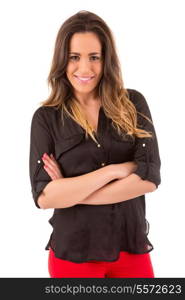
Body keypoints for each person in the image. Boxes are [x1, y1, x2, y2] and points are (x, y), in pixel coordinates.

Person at [29, 10, 161, 278]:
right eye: (74, 57)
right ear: (62, 60)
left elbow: (149, 178)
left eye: (94, 57)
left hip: (130, 248)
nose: (85, 68)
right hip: (74, 255)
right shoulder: (46, 118)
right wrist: (113, 171)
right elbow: (44, 197)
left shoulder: (133, 104)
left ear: (106, 60)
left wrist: (71, 192)